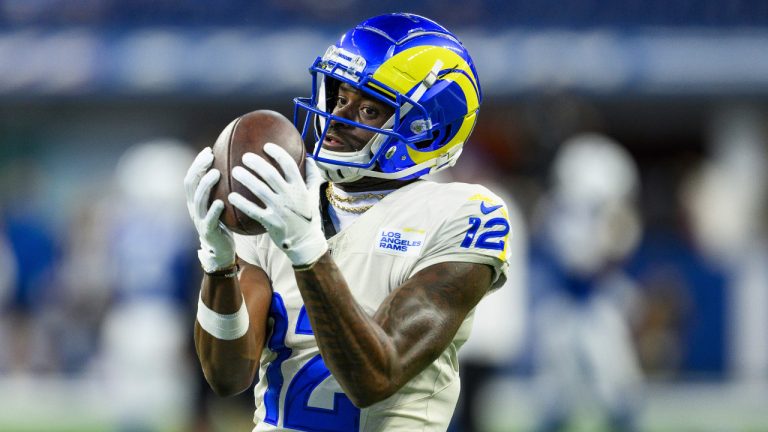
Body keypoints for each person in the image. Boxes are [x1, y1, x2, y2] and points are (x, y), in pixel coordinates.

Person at [184, 13, 513, 432]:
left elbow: (375, 375)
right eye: (340, 98)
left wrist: (306, 250)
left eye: (369, 108)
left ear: (426, 131)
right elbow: (227, 377)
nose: (338, 118)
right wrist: (219, 263)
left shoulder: (464, 213)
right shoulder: (284, 197)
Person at [528, 134, 644, 432]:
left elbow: (611, 257)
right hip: (564, 302)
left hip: (598, 302)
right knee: (555, 392)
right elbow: (567, 256)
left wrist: (609, 247)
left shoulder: (613, 214)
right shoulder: (556, 209)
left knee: (615, 385)